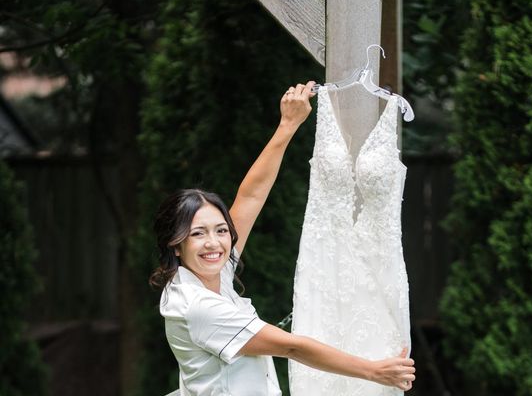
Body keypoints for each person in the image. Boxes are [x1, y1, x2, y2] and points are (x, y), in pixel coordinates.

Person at [150, 81, 416, 396]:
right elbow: (292, 348)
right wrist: (373, 371)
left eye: (221, 230)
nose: (215, 243)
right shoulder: (198, 305)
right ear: (175, 244)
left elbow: (249, 198)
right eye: (198, 234)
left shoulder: (206, 272)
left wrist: (287, 125)